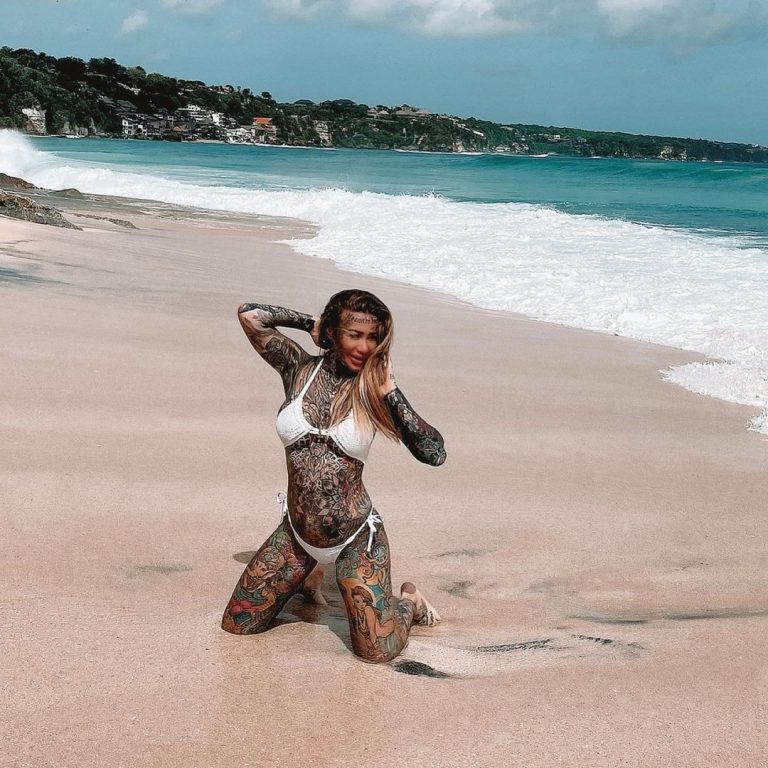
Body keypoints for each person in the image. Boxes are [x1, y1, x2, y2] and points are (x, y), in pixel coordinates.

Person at [221, 289, 446, 663]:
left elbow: (434, 453)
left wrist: (392, 391)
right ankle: (307, 575)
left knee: (376, 653)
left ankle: (409, 601)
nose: (364, 346)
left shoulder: (372, 392)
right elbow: (251, 315)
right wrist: (312, 323)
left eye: (373, 337)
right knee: (238, 624)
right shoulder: (298, 370)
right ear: (333, 332)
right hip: (296, 534)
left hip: (355, 539)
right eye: (354, 334)